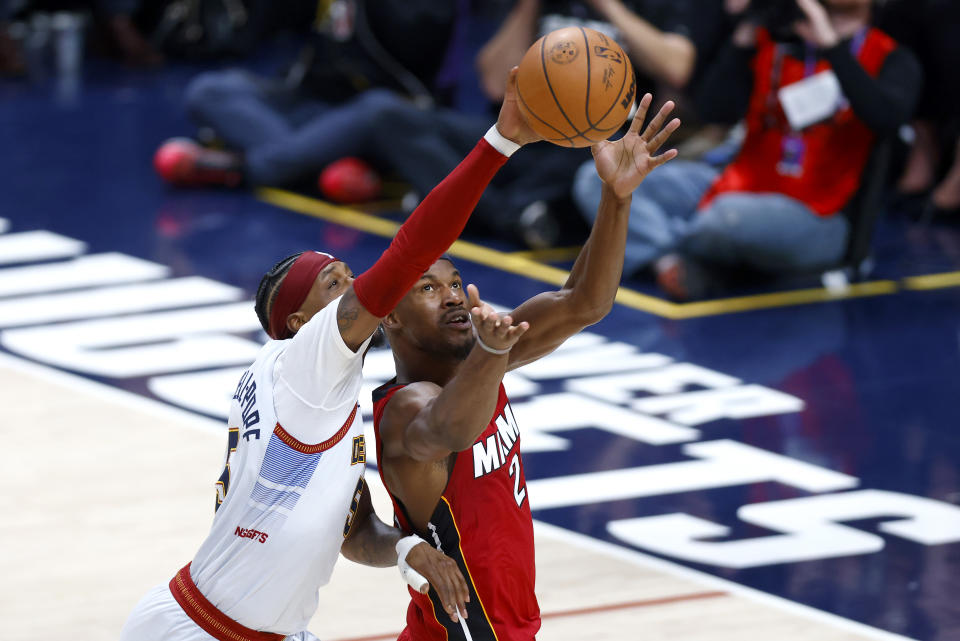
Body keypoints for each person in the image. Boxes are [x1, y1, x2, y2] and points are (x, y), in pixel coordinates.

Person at [120, 69, 541, 641]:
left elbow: (352, 530)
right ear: (299, 324)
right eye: (336, 284)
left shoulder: (318, 394)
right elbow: (415, 244)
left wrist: (408, 549)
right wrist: (500, 144)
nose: (358, 290)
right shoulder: (306, 362)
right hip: (204, 631)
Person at [371, 94, 679, 641]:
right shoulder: (403, 409)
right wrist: (491, 356)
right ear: (390, 317)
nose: (452, 297)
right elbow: (449, 427)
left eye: (453, 282)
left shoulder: (488, 355)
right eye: (426, 289)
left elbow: (586, 301)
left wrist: (616, 197)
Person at [572, 0, 921, 299]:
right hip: (737, 181)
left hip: (818, 215)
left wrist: (832, 46)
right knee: (602, 178)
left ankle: (658, 246)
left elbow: (885, 119)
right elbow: (714, 110)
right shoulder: (776, 38)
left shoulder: (892, 58)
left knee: (726, 219)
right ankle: (669, 263)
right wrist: (743, 33)